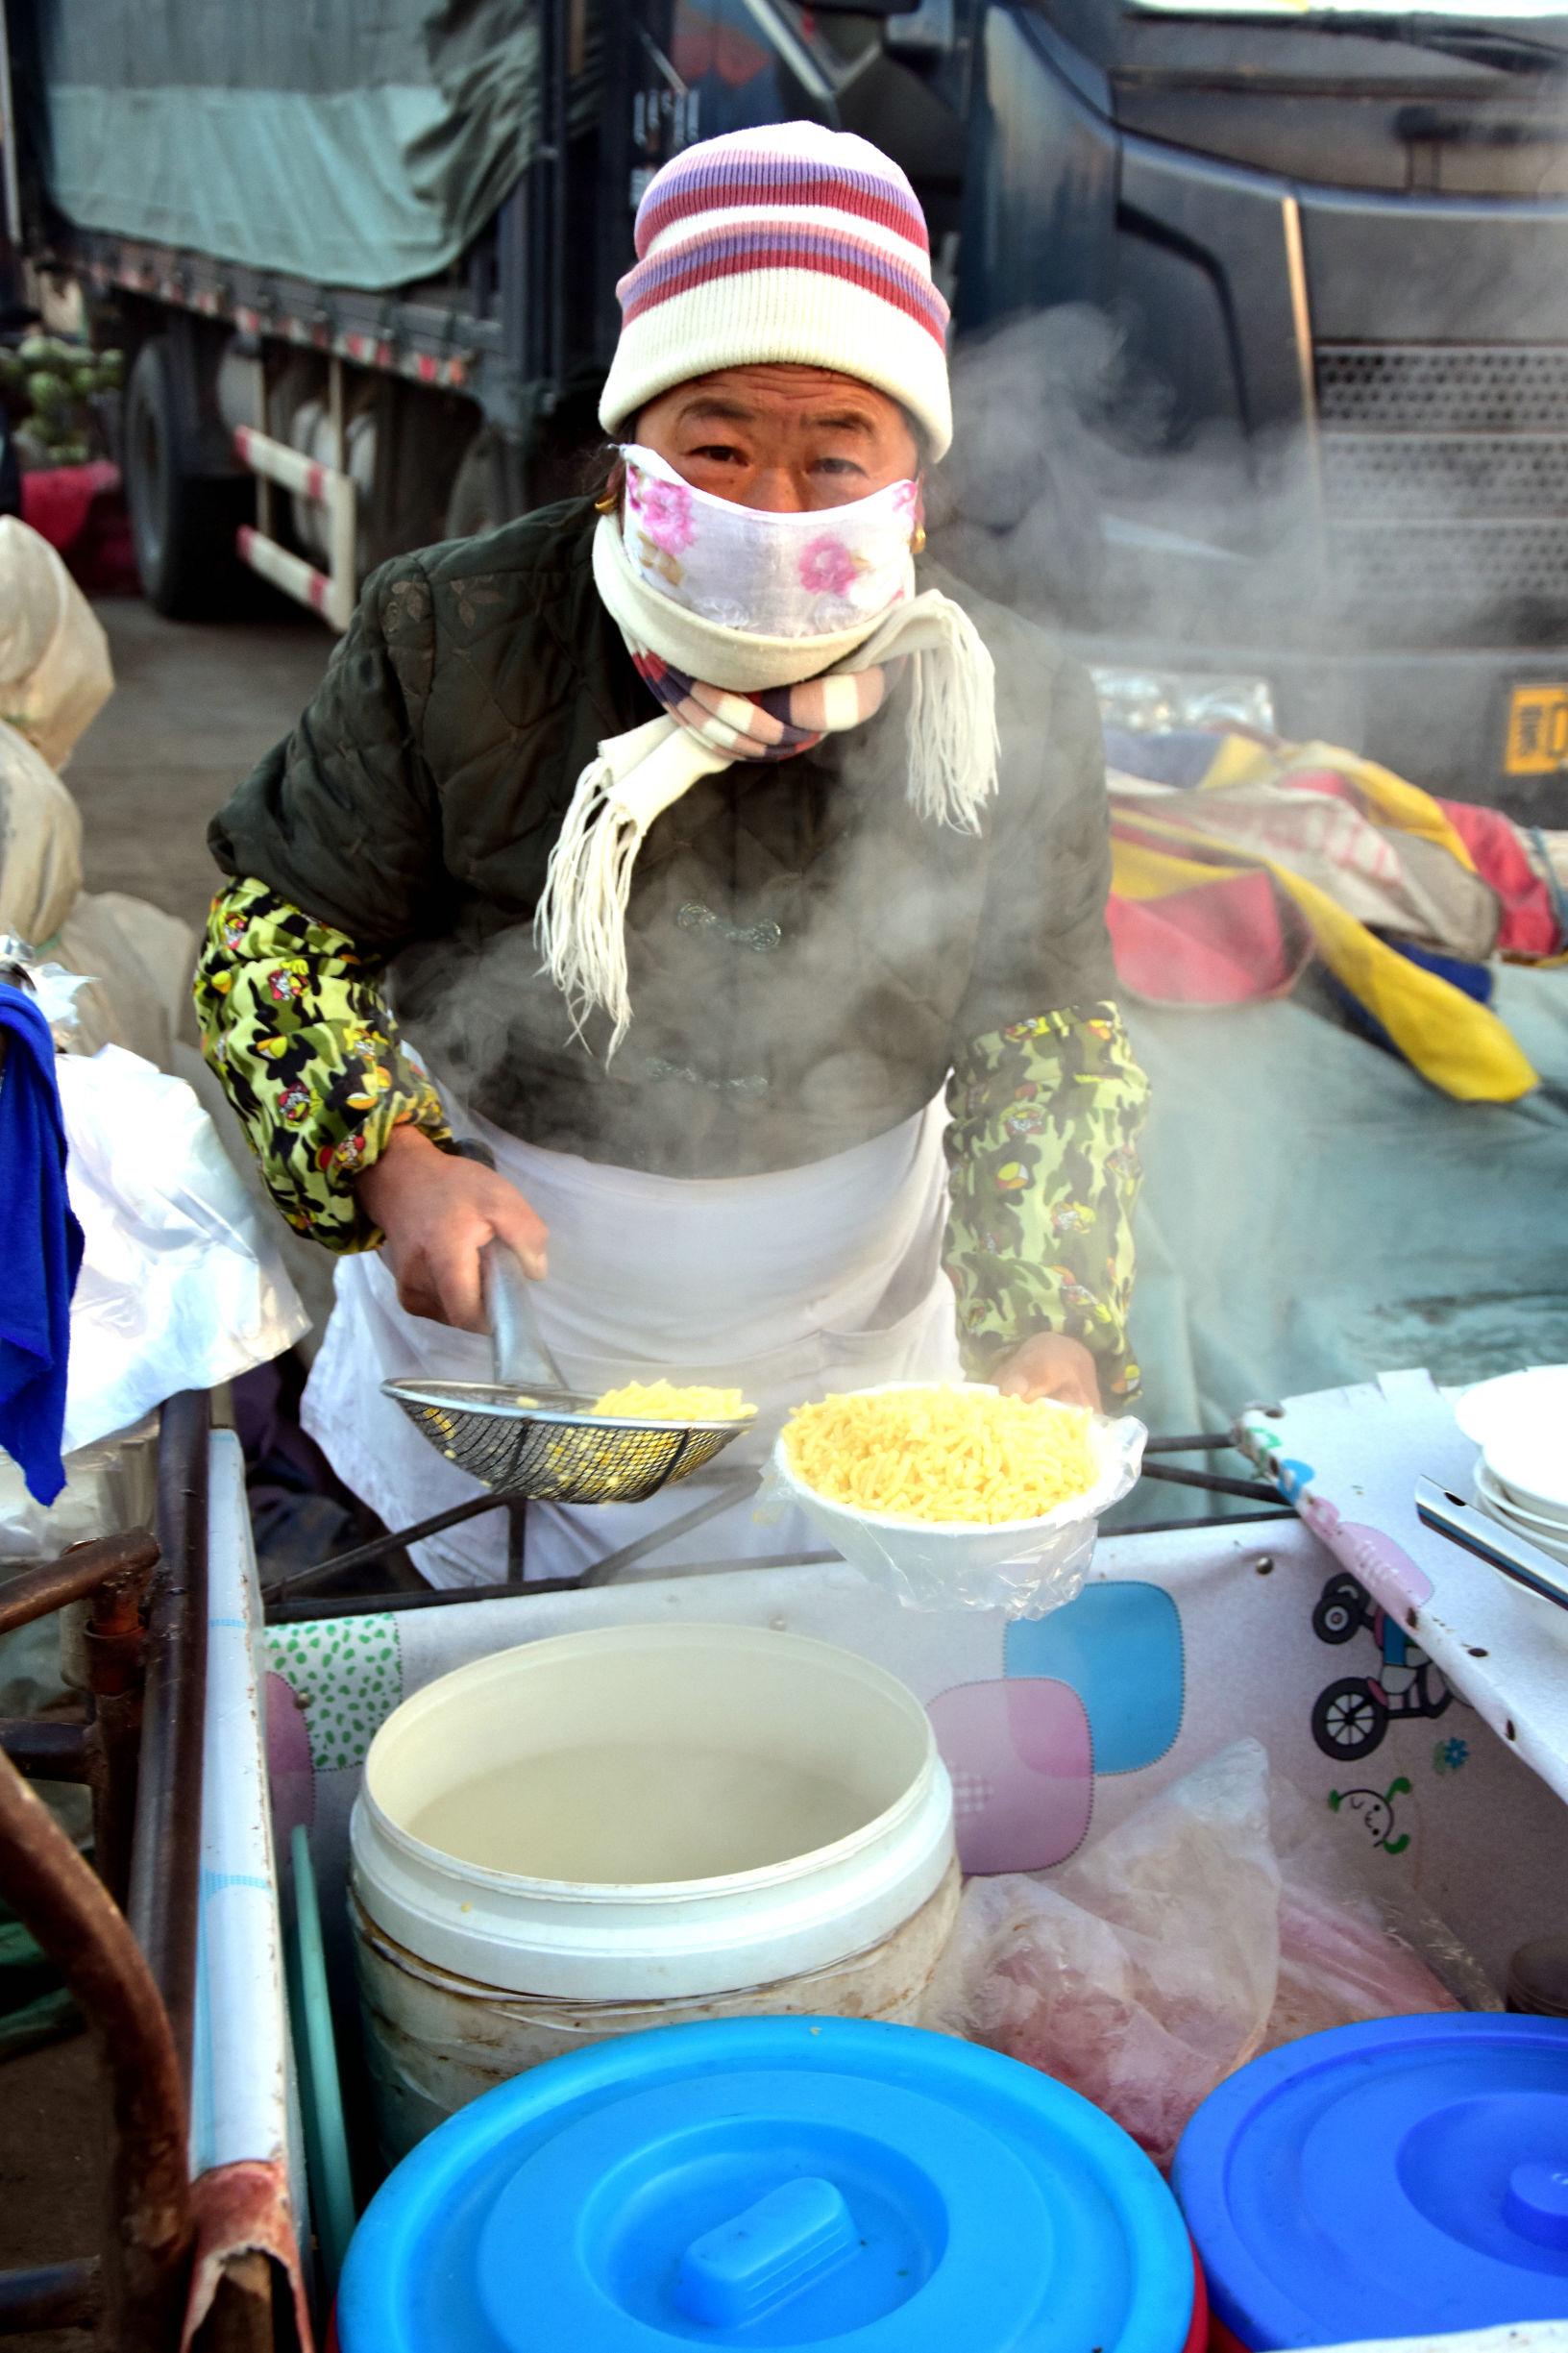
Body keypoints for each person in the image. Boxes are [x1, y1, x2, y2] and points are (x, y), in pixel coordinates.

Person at [196, 123, 1149, 1586]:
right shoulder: (454, 635)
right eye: (718, 447)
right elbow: (272, 943)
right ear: (630, 450)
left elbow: (1047, 1039)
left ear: (914, 485)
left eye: (837, 458)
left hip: (856, 1359)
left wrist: (1051, 1331)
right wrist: (395, 1165)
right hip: (517, 1353)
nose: (774, 509)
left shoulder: (1005, 701)